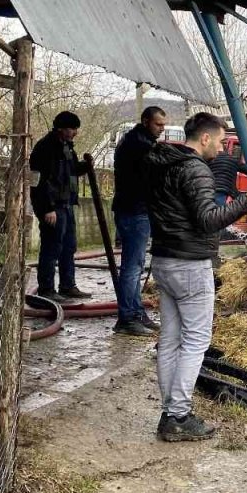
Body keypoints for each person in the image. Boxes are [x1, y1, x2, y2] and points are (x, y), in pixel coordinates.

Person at [146, 112, 247, 442]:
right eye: (222, 141)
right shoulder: (195, 168)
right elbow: (208, 220)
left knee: (170, 339)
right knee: (196, 340)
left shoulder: (162, 163)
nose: (223, 147)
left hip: (164, 260)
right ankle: (178, 415)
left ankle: (170, 413)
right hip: (189, 263)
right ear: (205, 138)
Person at [110, 106, 168, 336]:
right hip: (134, 211)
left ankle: (136, 312)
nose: (162, 129)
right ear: (145, 121)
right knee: (132, 268)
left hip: (135, 209)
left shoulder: (137, 141)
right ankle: (127, 318)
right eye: (158, 124)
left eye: (163, 125)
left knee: (135, 266)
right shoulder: (139, 146)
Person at [30, 111, 92, 303]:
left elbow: (71, 171)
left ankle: (67, 285)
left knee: (68, 247)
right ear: (61, 128)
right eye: (72, 129)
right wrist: (47, 208)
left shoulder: (67, 148)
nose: (75, 133)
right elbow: (38, 182)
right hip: (53, 206)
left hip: (66, 204)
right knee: (51, 248)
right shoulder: (45, 148)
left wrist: (86, 166)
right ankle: (46, 290)